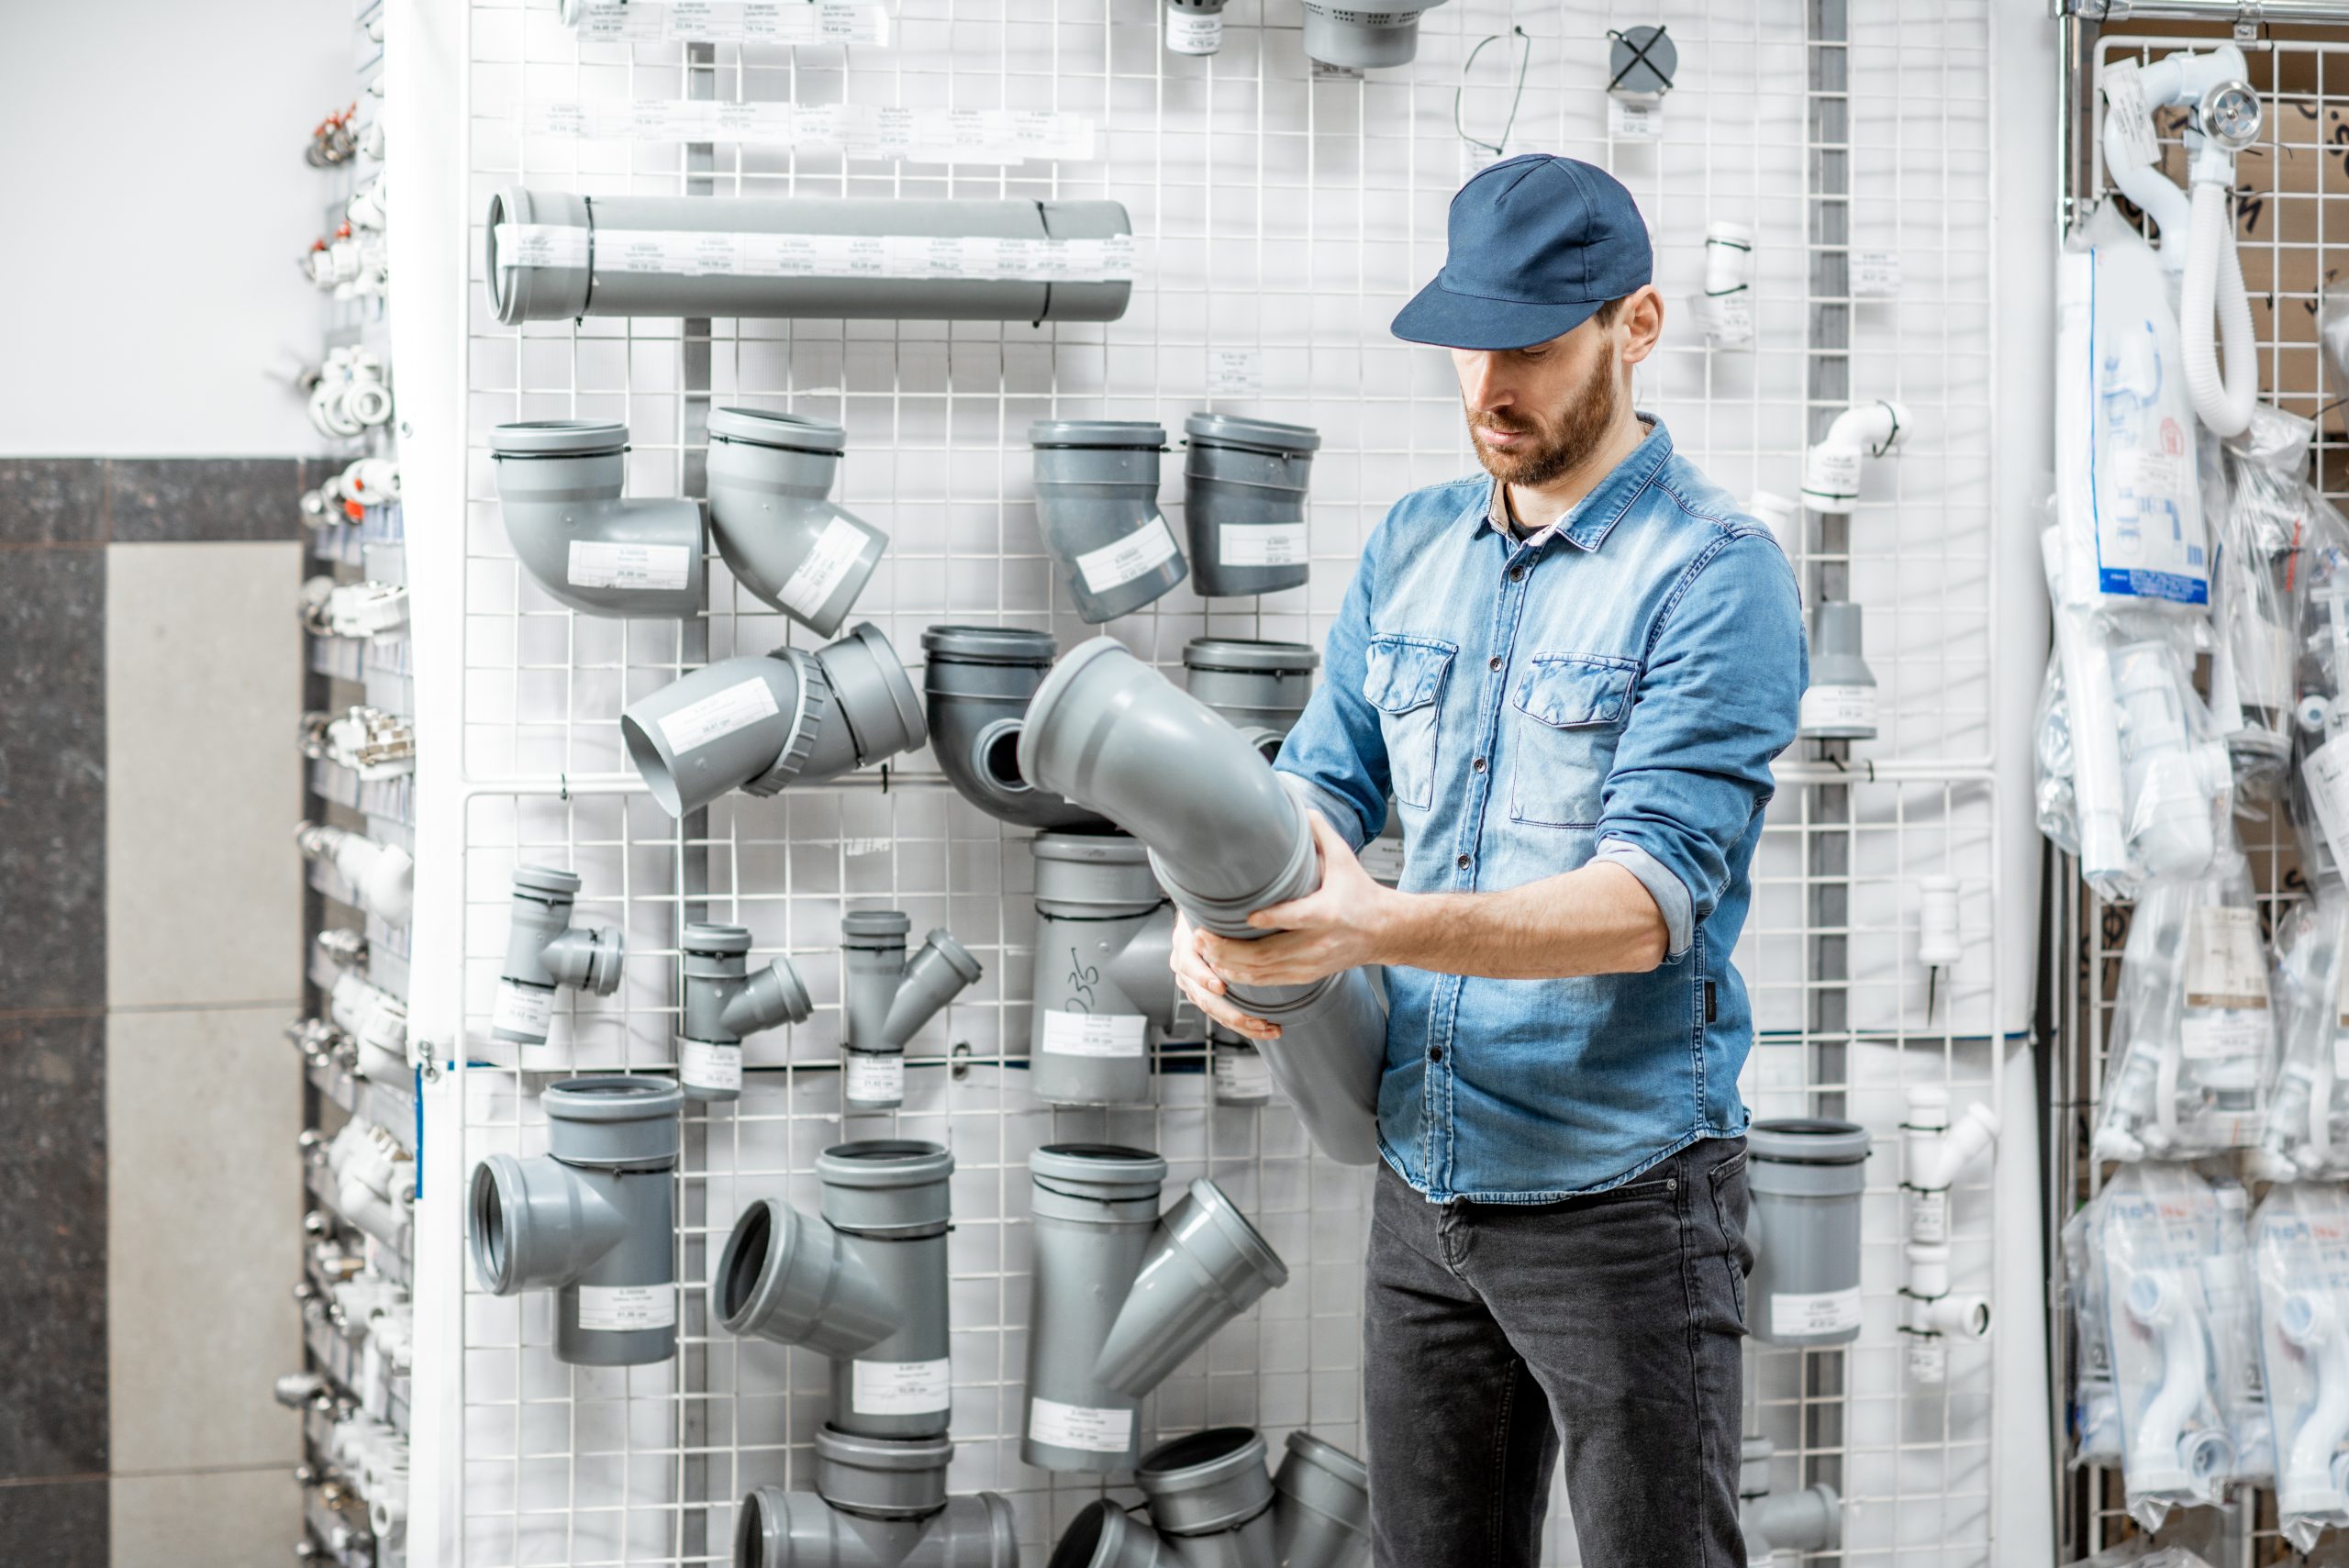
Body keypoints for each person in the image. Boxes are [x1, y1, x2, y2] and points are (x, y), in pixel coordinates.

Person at [1168, 154, 1807, 1568]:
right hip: (1427, 1186)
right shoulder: (1410, 549)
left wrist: (1366, 930)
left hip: (1626, 1201)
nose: (1487, 385)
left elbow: (1644, 906)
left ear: (1634, 328)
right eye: (1470, 342)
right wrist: (1208, 920)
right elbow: (1311, 795)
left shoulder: (1716, 575)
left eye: (1529, 345)